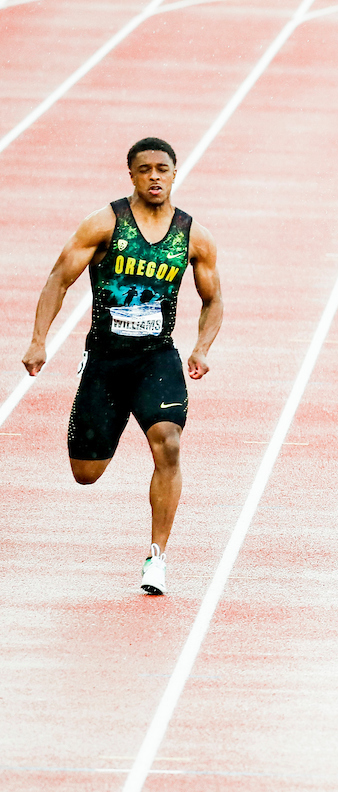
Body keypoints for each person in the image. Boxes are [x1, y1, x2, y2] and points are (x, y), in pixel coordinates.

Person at [22, 137, 223, 595]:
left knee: (168, 443)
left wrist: (202, 347)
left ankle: (157, 557)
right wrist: (39, 340)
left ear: (175, 173)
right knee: (85, 473)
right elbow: (60, 278)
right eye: (145, 169)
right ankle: (119, 422)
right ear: (131, 174)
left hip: (157, 358)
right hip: (106, 362)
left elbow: (213, 300)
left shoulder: (194, 236)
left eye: (163, 169)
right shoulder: (104, 224)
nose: (155, 176)